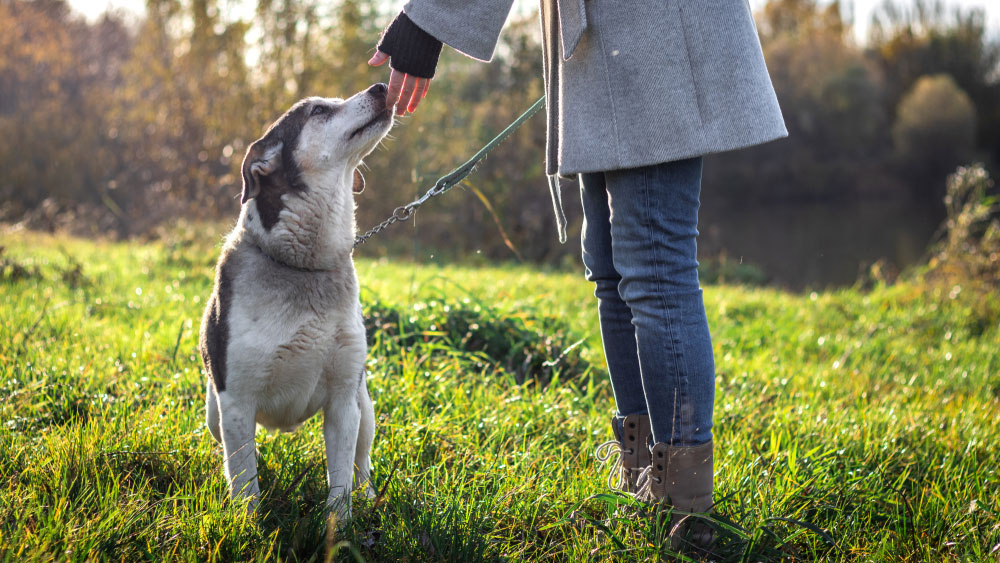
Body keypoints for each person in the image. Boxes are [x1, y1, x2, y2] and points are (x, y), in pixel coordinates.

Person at [368, 0, 787, 551]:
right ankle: (643, 474)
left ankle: (686, 509)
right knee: (612, 267)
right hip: (609, 38)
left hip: (650, 27)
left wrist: (430, 20)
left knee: (655, 266)